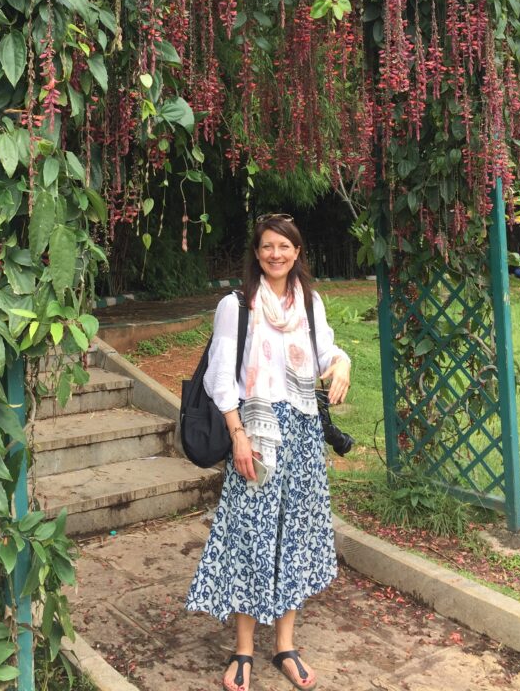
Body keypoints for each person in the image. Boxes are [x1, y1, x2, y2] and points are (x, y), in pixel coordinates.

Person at [186, 214, 352, 691]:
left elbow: (326, 354)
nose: (275, 254)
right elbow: (221, 378)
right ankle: (242, 650)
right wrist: (237, 434)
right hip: (255, 434)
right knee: (249, 535)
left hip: (302, 434)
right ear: (256, 254)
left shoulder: (310, 303)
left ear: (297, 252)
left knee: (293, 536)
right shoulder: (235, 306)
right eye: (267, 247)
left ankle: (285, 644)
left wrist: (343, 363)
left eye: (284, 246)